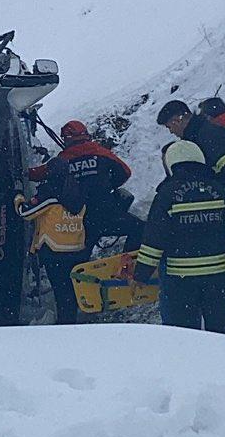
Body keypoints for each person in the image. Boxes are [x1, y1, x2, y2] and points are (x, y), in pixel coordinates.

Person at [133, 140, 225, 334]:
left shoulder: (166, 194)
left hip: (180, 281)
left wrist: (141, 275)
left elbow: (154, 239)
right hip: (218, 277)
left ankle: (188, 364)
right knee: (221, 333)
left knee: (182, 336)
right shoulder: (219, 190)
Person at [157, 99, 225, 332]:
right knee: (222, 289)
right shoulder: (200, 135)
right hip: (221, 216)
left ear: (179, 118)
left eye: (170, 125)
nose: (171, 131)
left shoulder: (209, 136)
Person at [30, 119, 143, 258]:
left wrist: (21, 172)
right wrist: (107, 184)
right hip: (107, 212)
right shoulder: (100, 152)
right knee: (140, 228)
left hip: (79, 221)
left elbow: (40, 174)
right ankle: (127, 263)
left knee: (80, 259)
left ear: (67, 138)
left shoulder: (63, 159)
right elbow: (125, 172)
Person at [16, 185, 88, 324]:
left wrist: (18, 197)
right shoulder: (79, 196)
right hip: (76, 250)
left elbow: (25, 213)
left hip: (54, 251)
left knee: (61, 292)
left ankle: (64, 324)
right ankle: (70, 319)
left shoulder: (50, 198)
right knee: (70, 291)